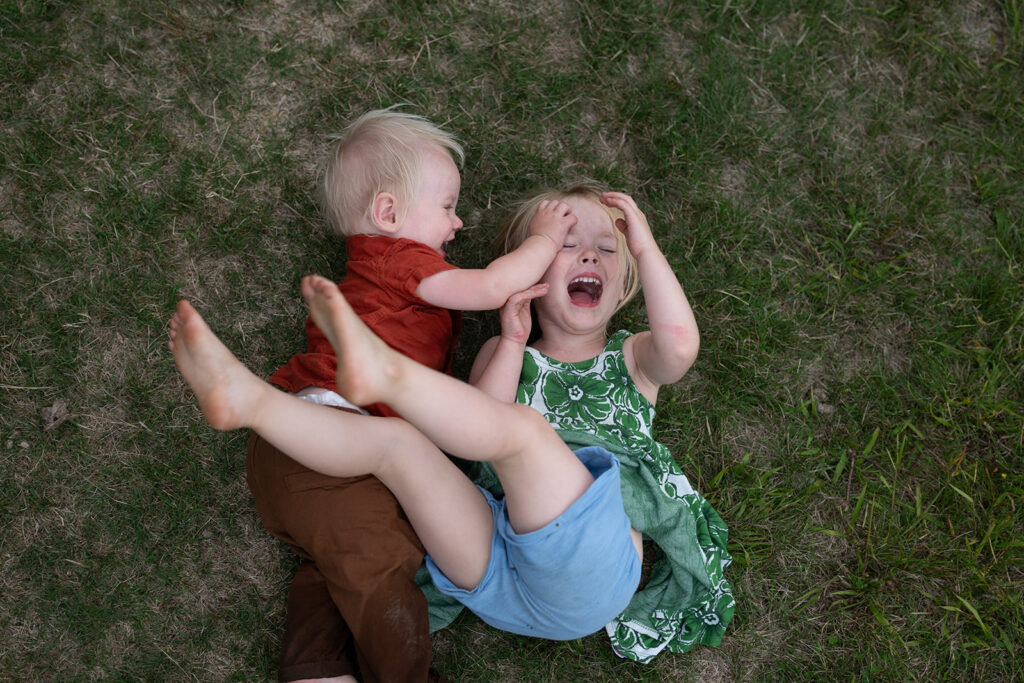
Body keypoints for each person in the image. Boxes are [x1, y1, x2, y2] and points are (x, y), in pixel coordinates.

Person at [245, 108, 575, 682]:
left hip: (304, 459)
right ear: (389, 213)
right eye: (447, 206)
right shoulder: (400, 262)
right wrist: (545, 238)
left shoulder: (376, 273)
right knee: (383, 566)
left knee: (336, 565)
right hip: (332, 438)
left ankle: (315, 669)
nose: (458, 224)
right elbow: (496, 284)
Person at [465, 182, 734, 663]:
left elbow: (680, 348)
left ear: (625, 285)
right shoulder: (505, 353)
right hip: (498, 559)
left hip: (595, 571)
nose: (588, 256)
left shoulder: (633, 358)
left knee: (526, 444)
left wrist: (645, 249)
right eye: (565, 246)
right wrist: (509, 343)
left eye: (607, 249)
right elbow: (473, 436)